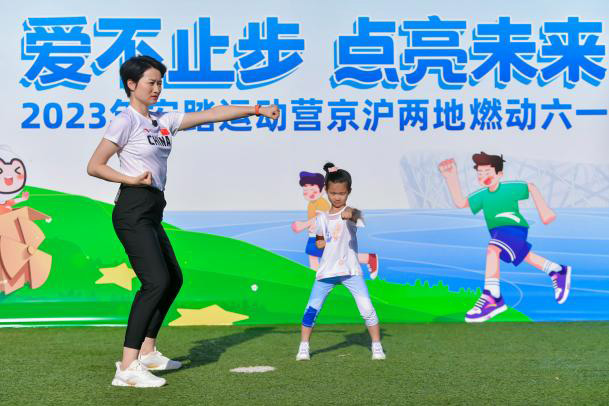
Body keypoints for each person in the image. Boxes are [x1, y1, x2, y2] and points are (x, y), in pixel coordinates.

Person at [87, 55, 279, 387]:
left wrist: (256, 110)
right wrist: (130, 179)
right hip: (133, 208)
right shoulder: (125, 120)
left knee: (173, 279)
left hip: (152, 210)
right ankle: (127, 367)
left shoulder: (161, 120)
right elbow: (95, 165)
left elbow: (211, 114)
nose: (157, 88)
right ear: (131, 84)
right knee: (155, 282)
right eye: (151, 82)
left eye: (160, 83)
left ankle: (147, 351)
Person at [438, 152, 571, 323]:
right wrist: (451, 177)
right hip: (498, 232)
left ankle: (493, 296)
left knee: (493, 249)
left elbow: (530, 186)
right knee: (524, 255)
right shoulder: (482, 195)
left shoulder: (509, 188)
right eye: (480, 173)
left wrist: (544, 211)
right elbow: (461, 203)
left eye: (487, 172)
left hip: (513, 228)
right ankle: (556, 270)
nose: (483, 177)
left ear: (499, 174)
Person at [296, 163, 385, 361]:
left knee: (367, 310)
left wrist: (350, 214)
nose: (337, 197)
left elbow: (359, 217)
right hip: (327, 272)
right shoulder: (321, 218)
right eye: (333, 193)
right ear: (326, 191)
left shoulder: (352, 213)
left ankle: (377, 346)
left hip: (351, 272)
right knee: (311, 310)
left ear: (349, 192)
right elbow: (319, 240)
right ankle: (304, 347)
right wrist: (319, 242)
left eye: (342, 193)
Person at [291, 170, 379, 278]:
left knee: (336, 256)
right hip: (315, 235)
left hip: (322, 236)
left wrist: (304, 225)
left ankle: (368, 258)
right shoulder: (312, 204)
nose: (310, 193)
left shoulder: (321, 203)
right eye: (306, 190)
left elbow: (321, 218)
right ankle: (315, 277)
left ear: (323, 189)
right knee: (315, 255)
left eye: (313, 190)